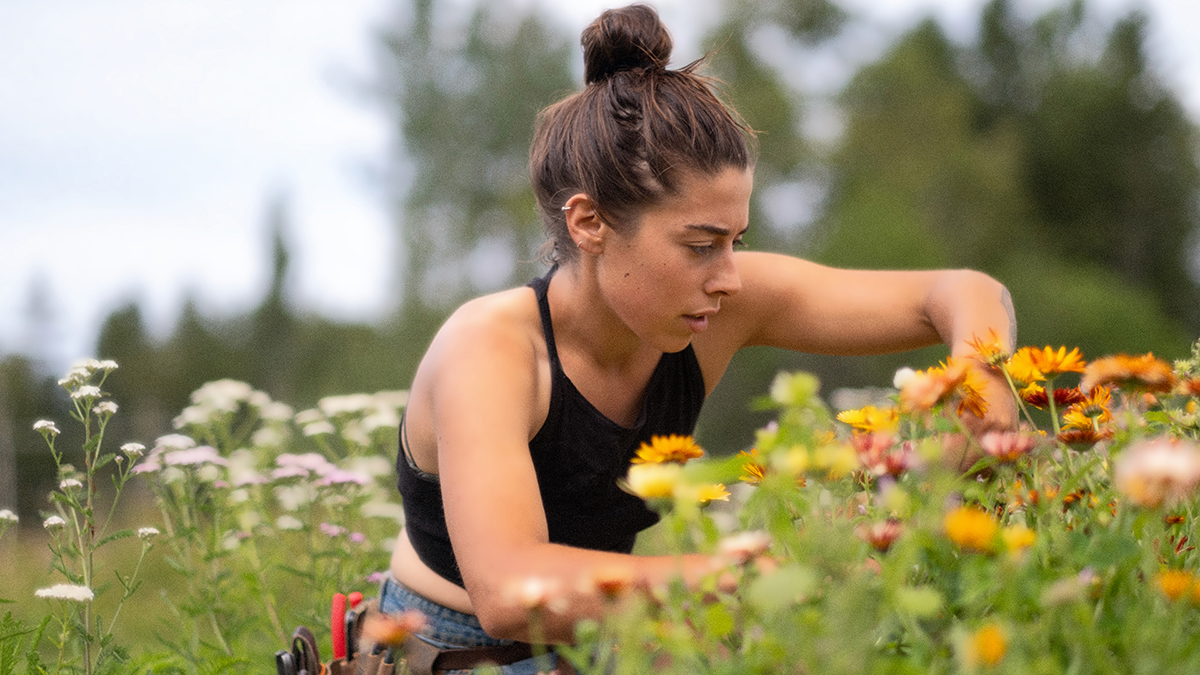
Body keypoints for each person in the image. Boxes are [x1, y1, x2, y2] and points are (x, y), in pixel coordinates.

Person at [382, 4, 1018, 673]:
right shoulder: (491, 347)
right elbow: (510, 592)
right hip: (452, 652)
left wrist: (985, 391)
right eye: (700, 245)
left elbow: (963, 291)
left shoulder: (710, 308)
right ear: (589, 222)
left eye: (735, 242)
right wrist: (764, 572)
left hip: (607, 646)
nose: (729, 279)